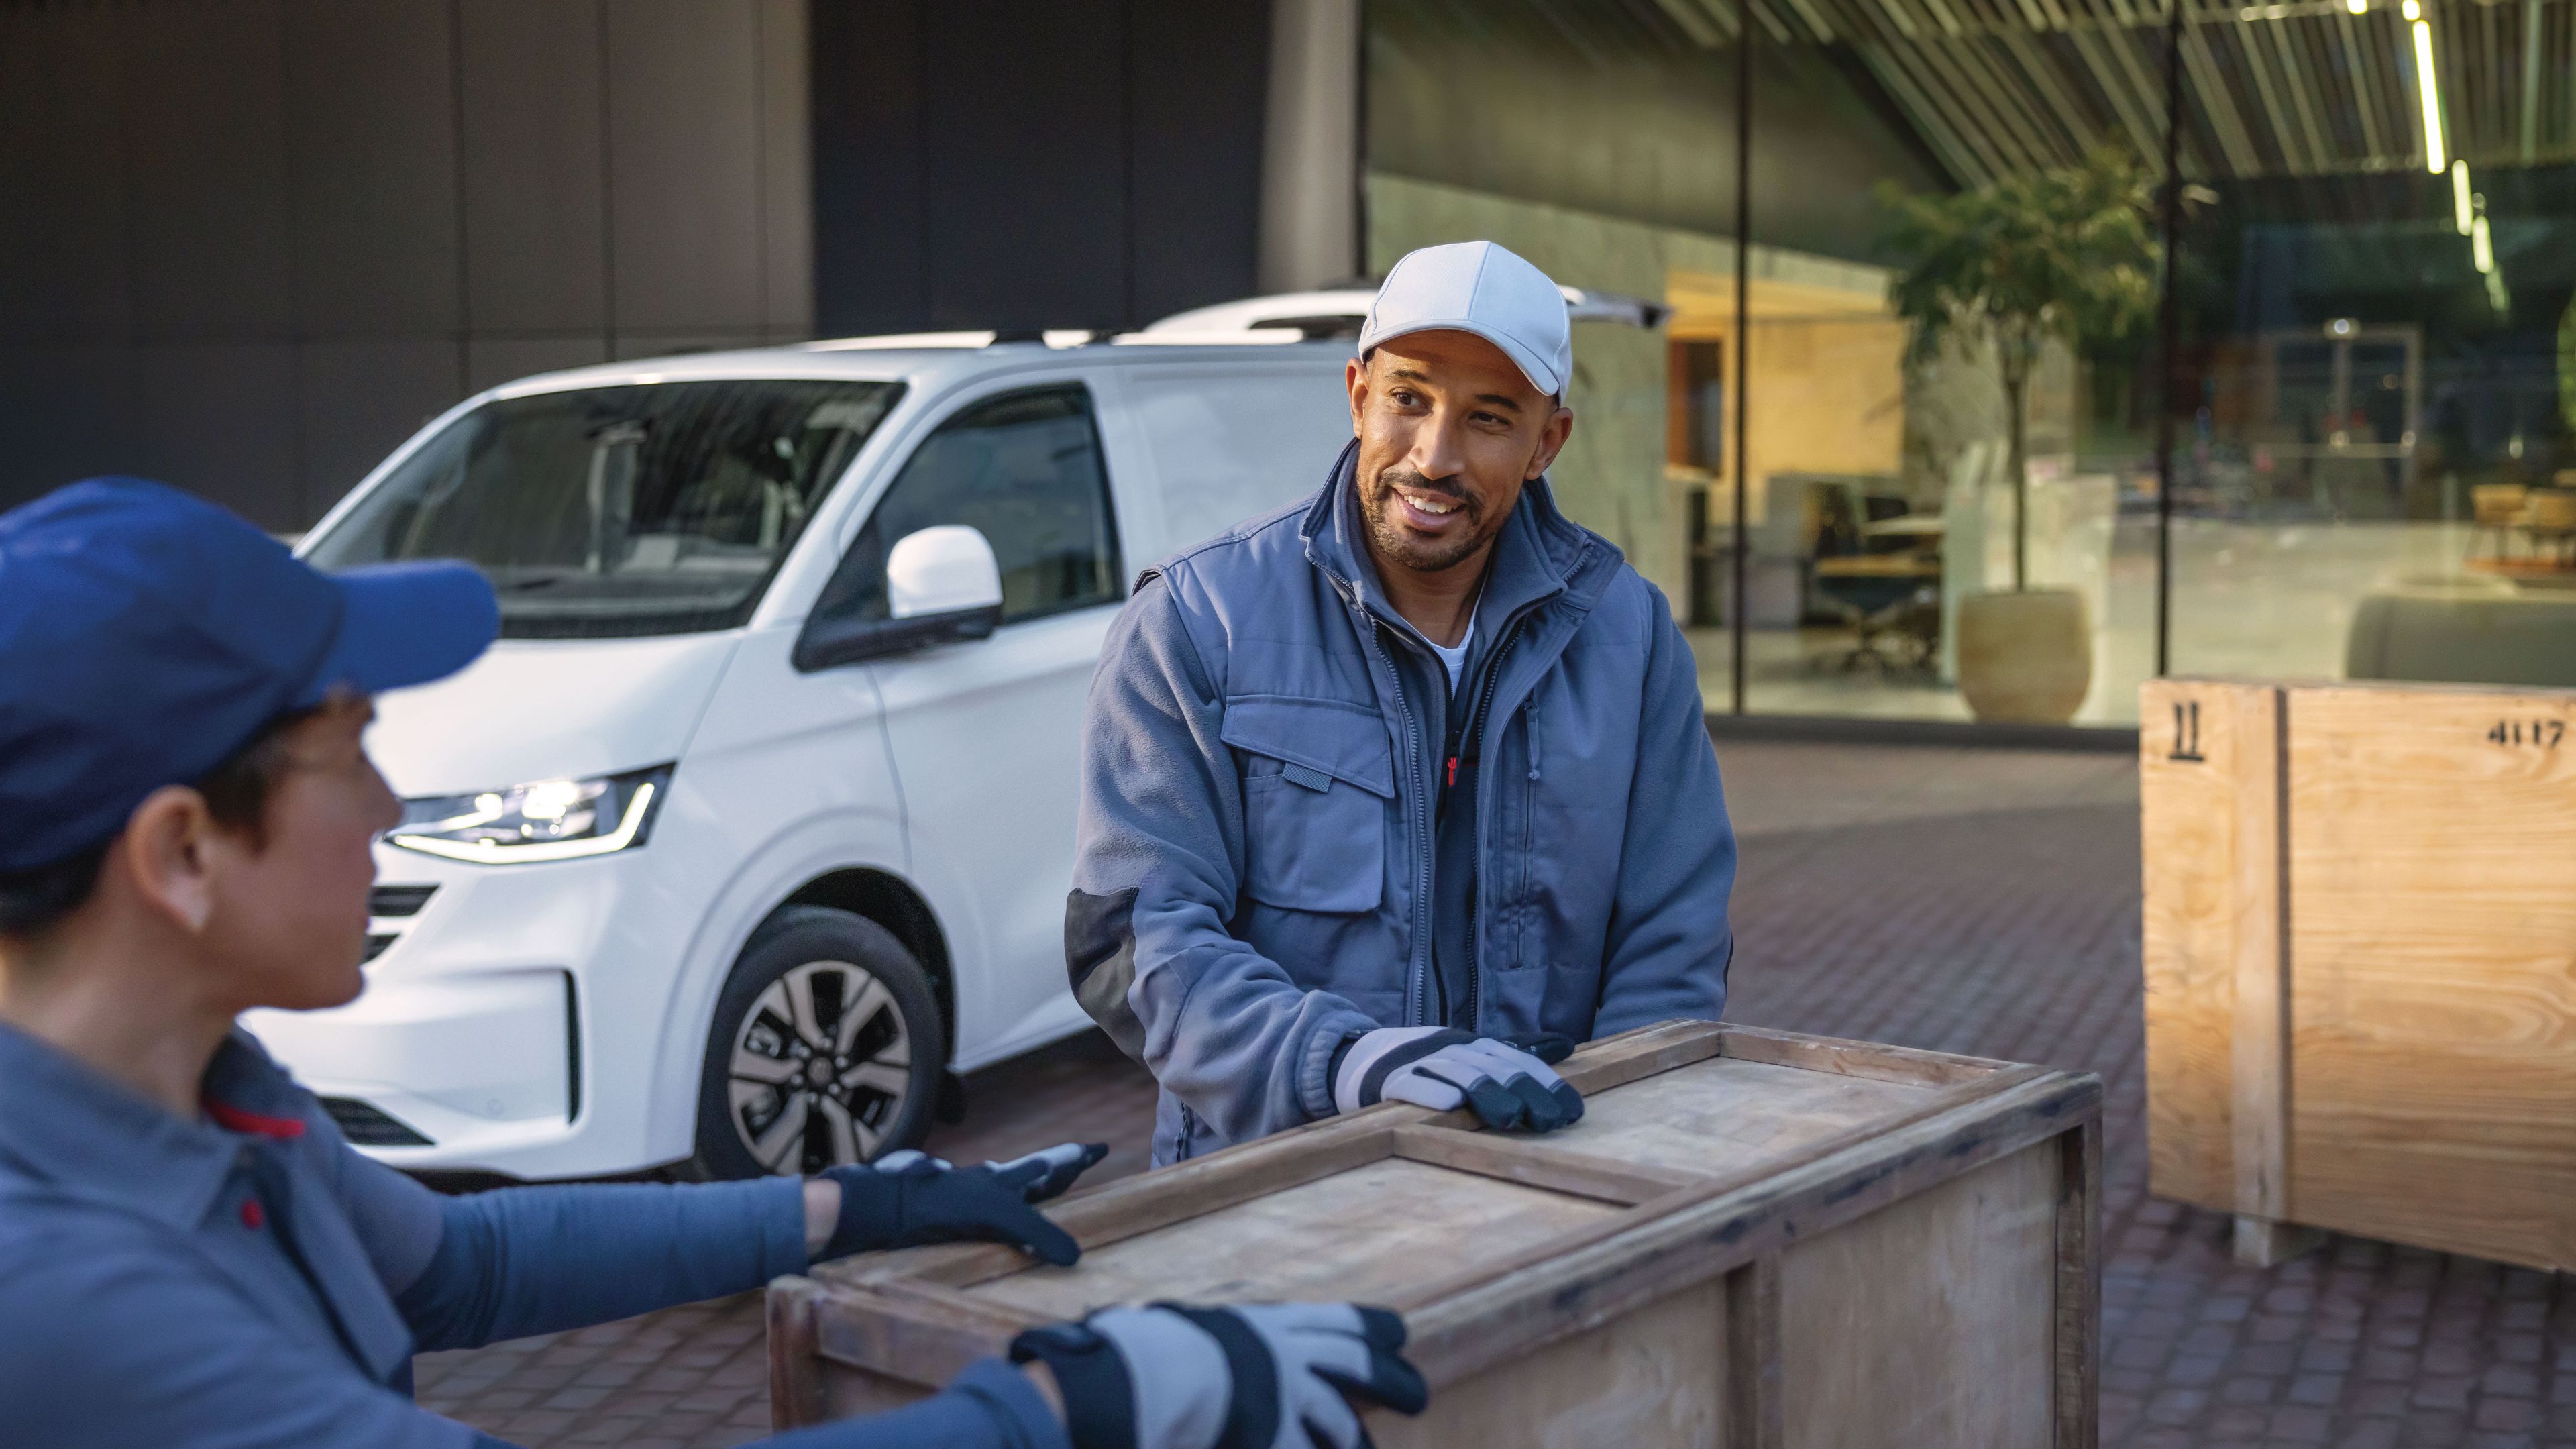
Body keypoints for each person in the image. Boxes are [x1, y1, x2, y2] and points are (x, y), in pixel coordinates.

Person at [0, 478, 1428, 1449]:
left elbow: (456, 1268)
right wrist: (1075, 1413)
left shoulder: (205, 1095)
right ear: (180, 853)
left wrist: (856, 1205)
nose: (389, 808)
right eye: (348, 751)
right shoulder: (60, 1287)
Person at [1069, 241, 1737, 1166]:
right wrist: (1341, 1067)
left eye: (1489, 418)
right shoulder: (1196, 622)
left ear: (1548, 443)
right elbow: (1133, 938)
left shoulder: (1629, 638)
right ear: (1357, 394)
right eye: (1409, 399)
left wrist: (1599, 1141)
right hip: (1267, 1189)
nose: (1434, 455)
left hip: (1553, 1178)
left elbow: (1673, 937)